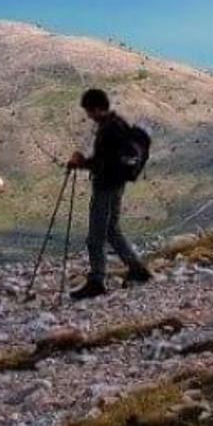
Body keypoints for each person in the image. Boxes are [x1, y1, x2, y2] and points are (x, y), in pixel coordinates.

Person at [65, 88, 153, 300]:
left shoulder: (109, 129)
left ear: (96, 108)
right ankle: (137, 270)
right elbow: (111, 160)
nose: (88, 116)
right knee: (112, 230)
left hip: (105, 186)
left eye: (89, 111)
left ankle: (97, 281)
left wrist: (81, 163)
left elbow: (103, 163)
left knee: (95, 236)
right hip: (117, 184)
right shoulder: (118, 124)